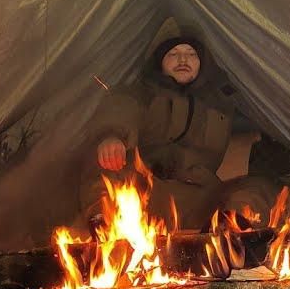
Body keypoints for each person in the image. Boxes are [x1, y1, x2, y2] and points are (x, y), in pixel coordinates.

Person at [79, 32, 278, 229]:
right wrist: (112, 135)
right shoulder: (144, 93)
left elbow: (265, 123)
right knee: (107, 163)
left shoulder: (219, 102)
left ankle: (230, 229)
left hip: (201, 199)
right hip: (148, 192)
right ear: (160, 62)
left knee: (259, 187)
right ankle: (105, 225)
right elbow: (122, 108)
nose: (183, 59)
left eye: (191, 54)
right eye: (173, 54)